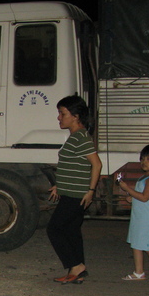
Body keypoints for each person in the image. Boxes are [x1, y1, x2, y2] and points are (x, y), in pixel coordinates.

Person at [47, 95, 102, 284]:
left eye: (63, 113)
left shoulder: (80, 137)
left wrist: (91, 191)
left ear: (76, 116)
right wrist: (59, 185)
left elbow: (96, 164)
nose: (59, 117)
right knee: (71, 231)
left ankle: (76, 265)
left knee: (54, 229)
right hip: (71, 193)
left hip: (76, 196)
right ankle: (77, 271)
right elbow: (75, 166)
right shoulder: (76, 137)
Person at [118, 144, 149, 284]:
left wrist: (127, 189)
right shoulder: (144, 177)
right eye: (143, 159)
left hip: (147, 217)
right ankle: (139, 272)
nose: (144, 162)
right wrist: (131, 198)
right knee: (137, 243)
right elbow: (140, 196)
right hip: (139, 216)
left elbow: (145, 197)